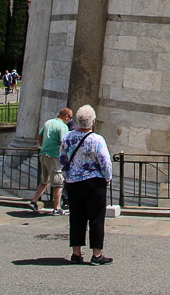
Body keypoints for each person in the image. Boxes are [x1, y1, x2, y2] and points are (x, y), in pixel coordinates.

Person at [60, 105, 113, 265]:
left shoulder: (68, 138)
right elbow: (105, 162)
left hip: (73, 183)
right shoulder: (97, 139)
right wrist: (107, 178)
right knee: (96, 219)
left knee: (76, 218)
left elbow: (62, 159)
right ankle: (97, 255)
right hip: (94, 183)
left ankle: (76, 254)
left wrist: (67, 175)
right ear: (93, 121)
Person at [30, 108, 74, 215]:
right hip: (54, 156)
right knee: (58, 183)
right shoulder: (63, 126)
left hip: (43, 154)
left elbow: (39, 136)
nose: (69, 120)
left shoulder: (48, 122)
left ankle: (34, 201)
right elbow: (64, 143)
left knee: (45, 181)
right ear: (66, 116)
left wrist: (43, 146)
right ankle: (57, 208)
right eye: (70, 118)